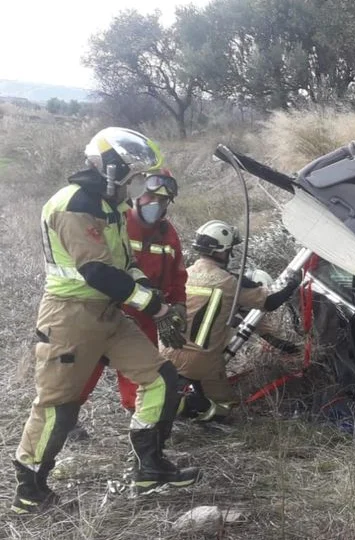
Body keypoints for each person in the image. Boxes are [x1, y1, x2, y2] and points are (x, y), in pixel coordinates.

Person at [12, 127, 199, 515]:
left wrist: (152, 291)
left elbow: (125, 265)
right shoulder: (74, 204)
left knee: (161, 379)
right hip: (71, 317)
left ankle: (149, 469)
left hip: (109, 314)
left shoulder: (108, 207)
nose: (134, 189)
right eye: (131, 178)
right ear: (111, 168)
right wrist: (156, 307)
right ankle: (30, 492)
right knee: (57, 406)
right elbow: (97, 271)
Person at [163, 220, 301, 423]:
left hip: (165, 353)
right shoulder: (230, 283)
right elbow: (269, 302)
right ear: (222, 251)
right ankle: (188, 405)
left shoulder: (185, 274)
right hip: (202, 361)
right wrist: (293, 284)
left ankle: (182, 395)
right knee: (227, 408)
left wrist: (280, 343)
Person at [78, 170, 187, 413]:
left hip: (149, 312)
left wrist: (178, 304)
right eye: (150, 196)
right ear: (138, 192)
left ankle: (140, 415)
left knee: (142, 370)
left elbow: (178, 274)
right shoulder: (118, 221)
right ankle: (68, 414)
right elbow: (97, 267)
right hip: (108, 308)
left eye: (162, 200)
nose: (155, 204)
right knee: (86, 365)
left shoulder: (168, 235)